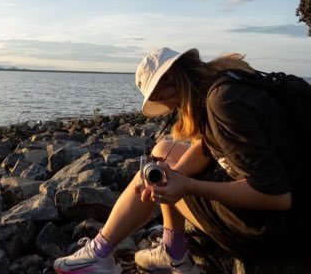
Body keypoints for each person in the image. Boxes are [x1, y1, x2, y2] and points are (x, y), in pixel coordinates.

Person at [53, 47, 306, 274]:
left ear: (171, 81)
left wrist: (186, 186)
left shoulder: (223, 102)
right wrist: (174, 173)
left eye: (162, 98)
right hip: (293, 211)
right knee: (164, 154)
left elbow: (277, 196)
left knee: (168, 178)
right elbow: (207, 145)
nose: (169, 107)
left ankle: (101, 254)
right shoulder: (226, 82)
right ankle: (171, 252)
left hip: (277, 232)